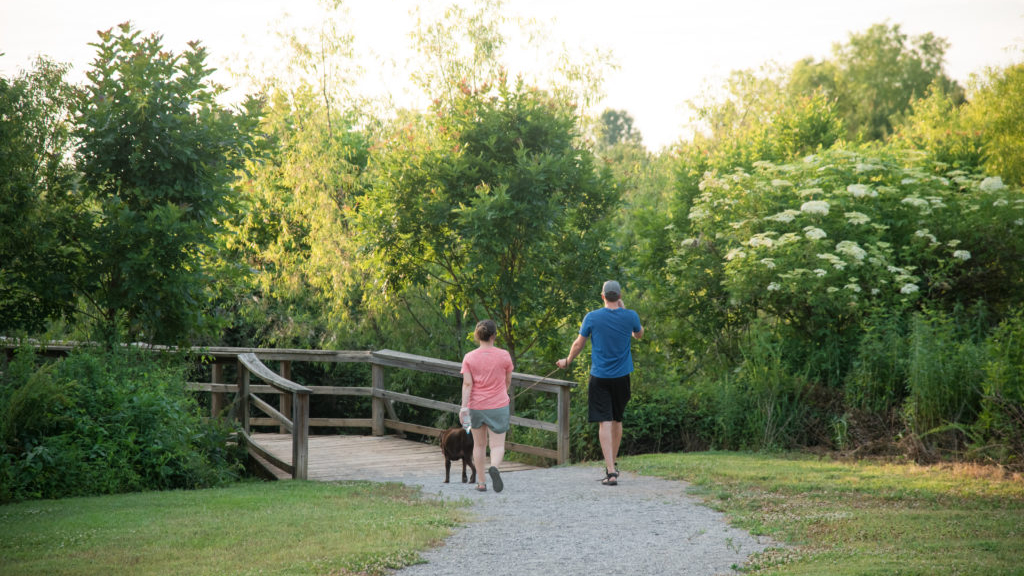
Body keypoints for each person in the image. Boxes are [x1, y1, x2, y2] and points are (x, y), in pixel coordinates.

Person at [556, 280, 643, 486]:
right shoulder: (630, 315)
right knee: (617, 420)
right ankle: (613, 464)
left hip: (600, 376)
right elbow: (639, 334)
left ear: (602, 296)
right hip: (622, 377)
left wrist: (567, 361)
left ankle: (611, 470)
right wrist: (625, 313)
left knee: (605, 420)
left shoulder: (592, 317)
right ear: (619, 296)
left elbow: (579, 343)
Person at [460, 319, 514, 492]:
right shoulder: (504, 355)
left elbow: (467, 384)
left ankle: (481, 482)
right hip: (498, 405)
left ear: (478, 336)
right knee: (497, 445)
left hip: (476, 406)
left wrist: (463, 407)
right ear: (494, 336)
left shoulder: (469, 357)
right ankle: (495, 468)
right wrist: (503, 393)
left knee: (479, 445)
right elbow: (507, 380)